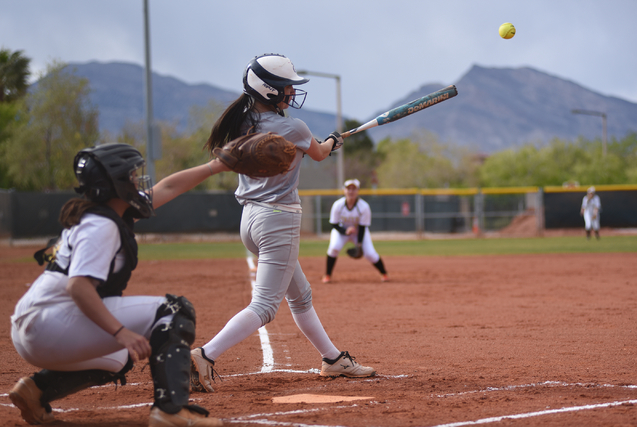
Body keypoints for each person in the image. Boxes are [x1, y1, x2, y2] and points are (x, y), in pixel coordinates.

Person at [189, 53, 376, 393]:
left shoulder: (242, 121)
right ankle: (205, 354)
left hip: (250, 220)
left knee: (301, 297)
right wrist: (334, 141)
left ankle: (333, 360)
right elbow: (319, 153)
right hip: (279, 221)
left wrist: (327, 142)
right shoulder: (293, 127)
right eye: (286, 86)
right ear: (269, 91)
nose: (291, 91)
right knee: (264, 307)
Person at [9, 143, 222, 427]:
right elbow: (78, 287)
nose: (137, 180)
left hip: (37, 325)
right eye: (131, 176)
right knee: (174, 310)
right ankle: (170, 412)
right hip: (50, 323)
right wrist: (121, 332)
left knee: (119, 359)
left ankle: (35, 390)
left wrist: (217, 166)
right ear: (115, 183)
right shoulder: (101, 225)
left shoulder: (103, 214)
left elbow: (169, 188)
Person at [322, 179, 389, 284]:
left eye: (354, 189)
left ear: (358, 191)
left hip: (359, 232)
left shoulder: (364, 206)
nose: (351, 191)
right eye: (349, 188)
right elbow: (334, 224)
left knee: (370, 254)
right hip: (341, 231)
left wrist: (359, 244)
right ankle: (327, 275)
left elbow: (362, 227)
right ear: (344, 190)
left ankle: (384, 273)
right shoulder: (338, 205)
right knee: (334, 248)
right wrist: (345, 231)